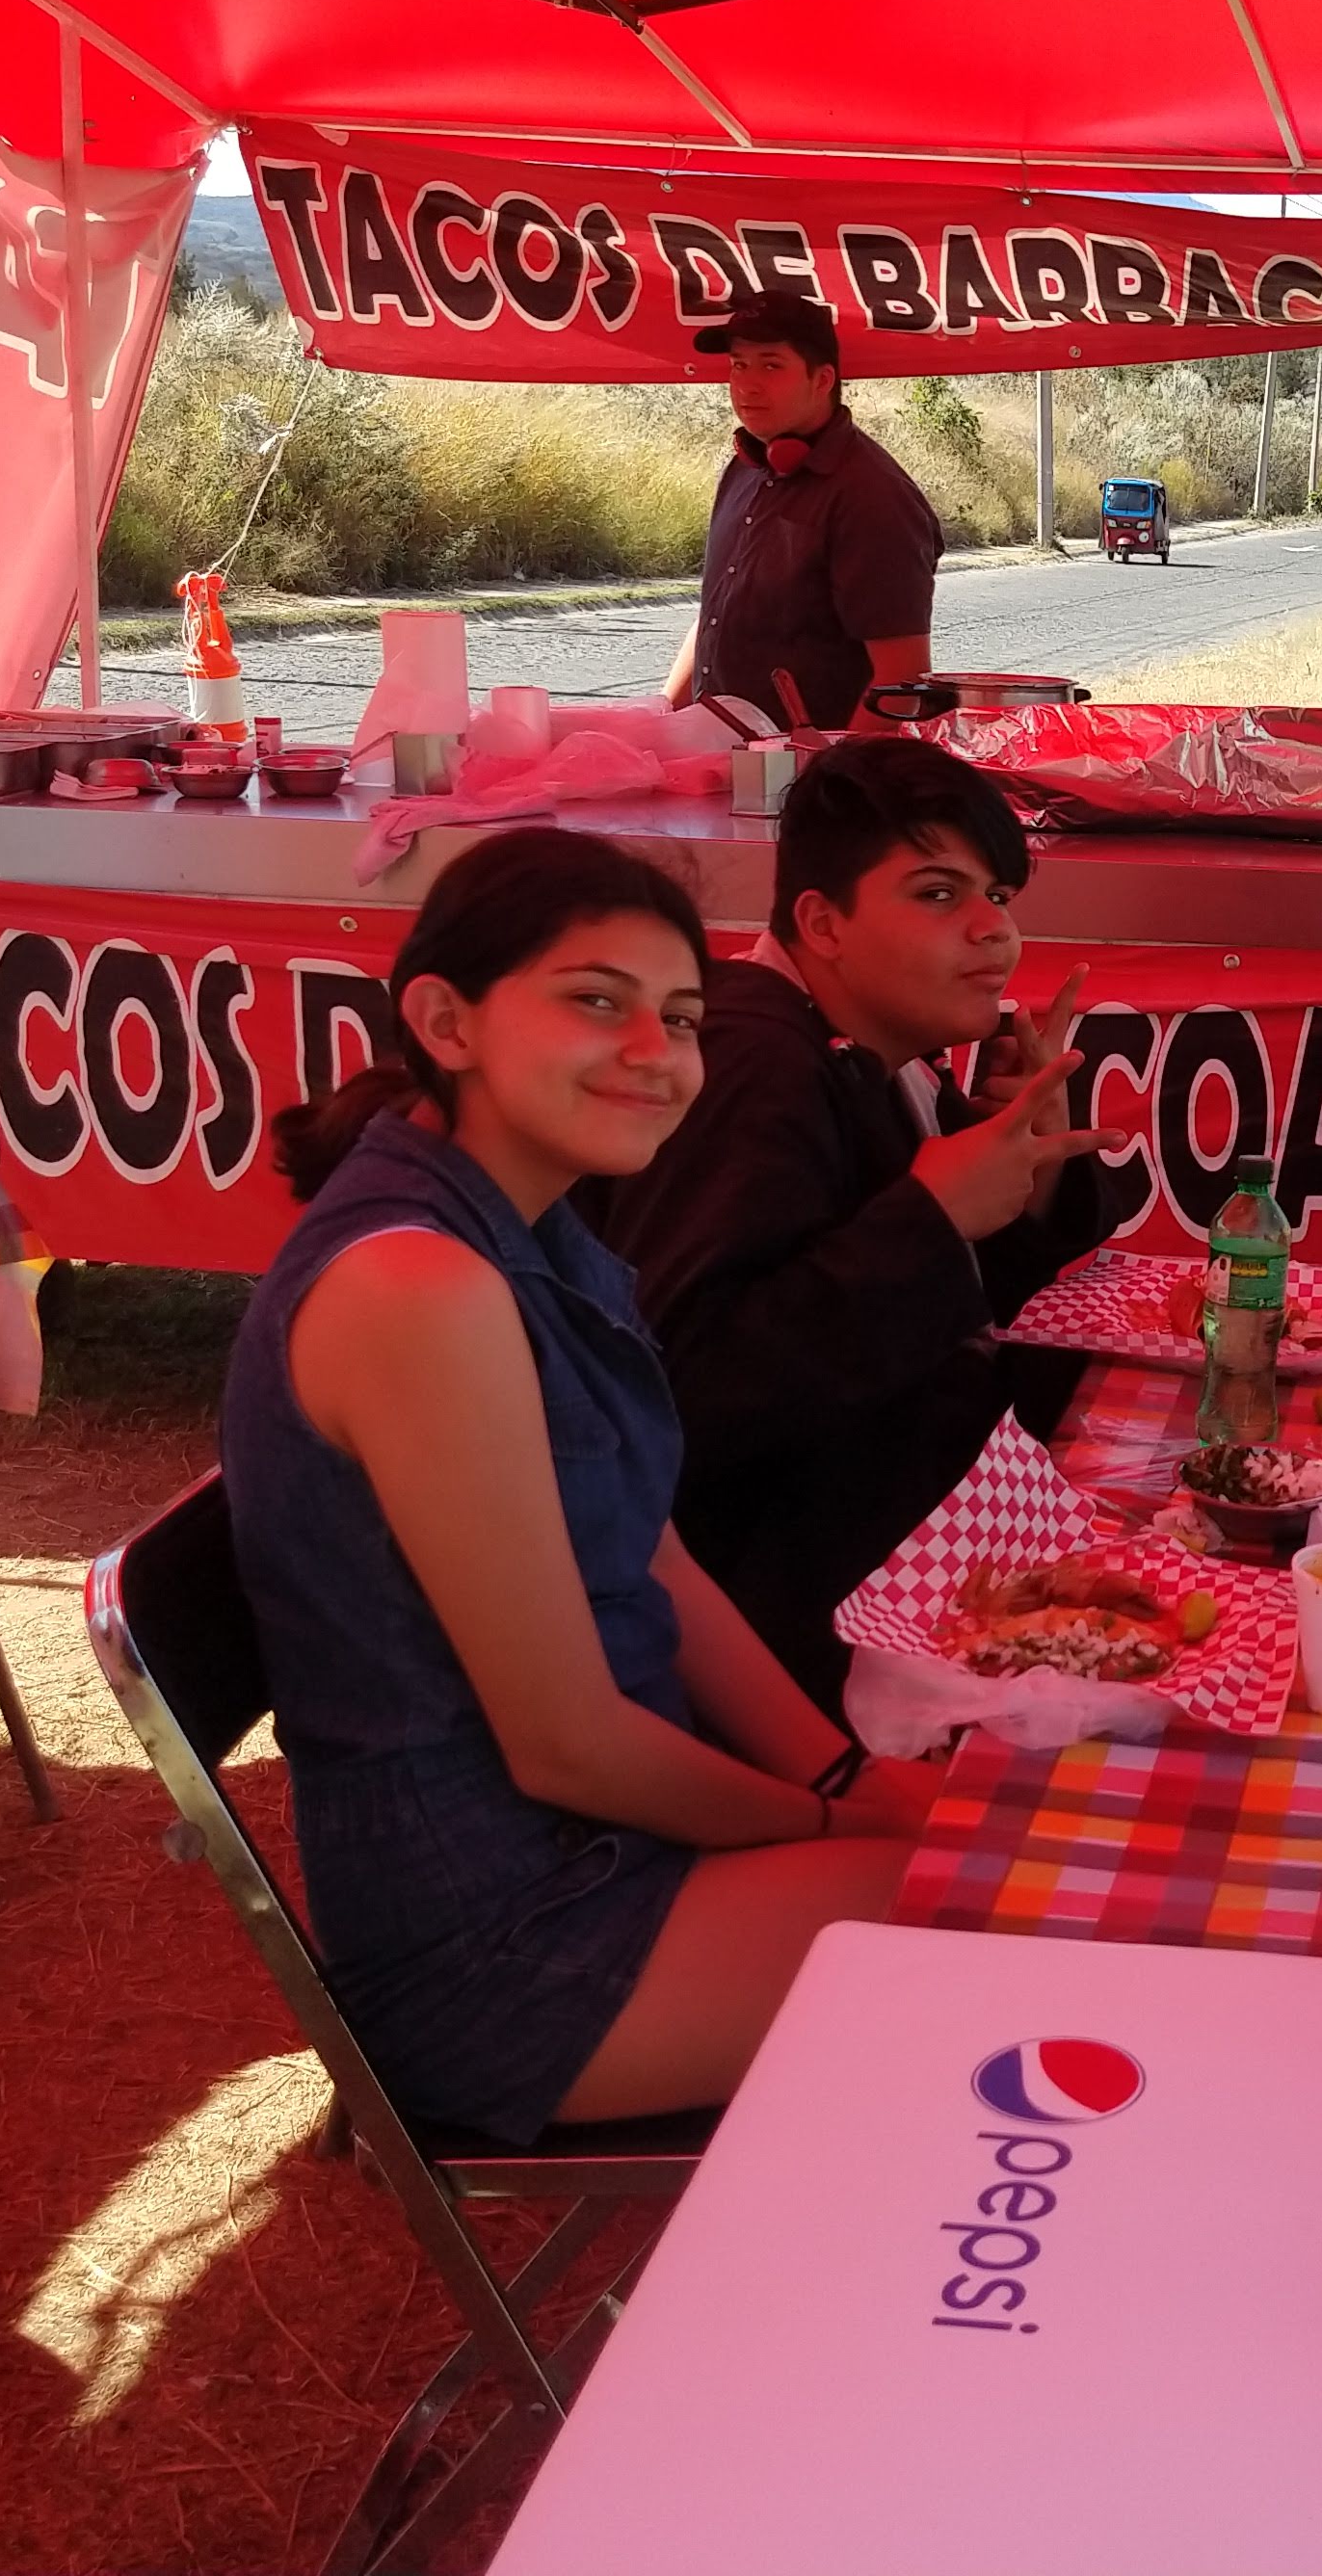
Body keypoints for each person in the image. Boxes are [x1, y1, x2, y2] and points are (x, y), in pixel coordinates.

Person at [219, 830, 934, 2142]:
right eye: (595, 1002)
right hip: (505, 1951)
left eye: (680, 1017)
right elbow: (565, 1743)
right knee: (1015, 1932)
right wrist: (819, 1816)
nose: (655, 1054)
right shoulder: (418, 1288)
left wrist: (844, 1768)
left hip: (590, 1859)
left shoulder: (530, 1228)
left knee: (1006, 1868)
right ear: (445, 1019)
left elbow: (651, 1551)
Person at [582, 738, 1106, 1714]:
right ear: (823, 922)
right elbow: (686, 1385)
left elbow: (940, 1306)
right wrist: (935, 1215)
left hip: (897, 1548)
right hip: (776, 1640)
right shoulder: (753, 1068)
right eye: (940, 895)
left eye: (999, 896)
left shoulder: (879, 1051)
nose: (993, 933)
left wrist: (1018, 1168)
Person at [660, 292, 943, 729]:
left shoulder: (873, 494)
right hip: (719, 766)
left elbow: (902, 679)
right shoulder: (744, 468)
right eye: (739, 364)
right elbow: (713, 619)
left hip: (808, 782)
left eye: (771, 365)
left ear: (823, 379)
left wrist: (830, 784)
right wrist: (661, 719)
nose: (747, 384)